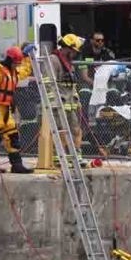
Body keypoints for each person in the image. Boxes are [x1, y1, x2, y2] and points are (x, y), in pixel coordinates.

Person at [0, 44, 35, 173]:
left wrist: (27, 57)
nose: (17, 65)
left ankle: (16, 165)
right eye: (16, 63)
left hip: (6, 108)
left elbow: (25, 70)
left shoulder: (13, 71)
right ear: (10, 60)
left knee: (12, 135)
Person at [50, 34, 88, 167]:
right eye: (73, 51)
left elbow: (72, 84)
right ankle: (60, 158)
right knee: (61, 131)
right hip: (59, 104)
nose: (75, 54)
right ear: (67, 48)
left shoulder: (68, 63)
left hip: (71, 103)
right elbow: (48, 82)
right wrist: (54, 102)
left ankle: (76, 157)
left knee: (76, 130)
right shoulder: (54, 60)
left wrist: (77, 100)